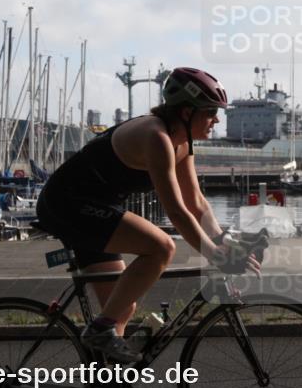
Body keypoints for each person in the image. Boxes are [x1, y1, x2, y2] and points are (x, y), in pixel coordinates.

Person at [36, 67, 261, 362]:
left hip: (96, 208)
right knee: (161, 247)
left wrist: (221, 238)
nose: (216, 119)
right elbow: (177, 211)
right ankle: (100, 333)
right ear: (185, 112)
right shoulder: (156, 137)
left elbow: (195, 201)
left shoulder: (181, 144)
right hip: (67, 204)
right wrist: (215, 254)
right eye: (209, 112)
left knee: (121, 308)